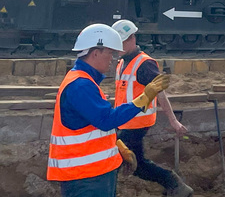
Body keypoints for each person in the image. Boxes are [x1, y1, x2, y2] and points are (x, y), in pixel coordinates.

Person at [48, 23, 170, 196]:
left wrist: (117, 145)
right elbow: (106, 120)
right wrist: (143, 99)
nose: (113, 59)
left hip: (93, 173)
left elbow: (93, 124)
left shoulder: (85, 81)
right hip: (86, 177)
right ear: (96, 53)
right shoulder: (81, 85)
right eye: (110, 53)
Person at [112, 19, 194, 197]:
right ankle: (175, 185)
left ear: (132, 38)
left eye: (123, 41)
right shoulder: (122, 62)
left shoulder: (144, 64)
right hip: (124, 121)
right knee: (137, 164)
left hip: (136, 123)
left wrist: (173, 121)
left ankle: (175, 185)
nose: (119, 46)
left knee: (118, 161)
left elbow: (160, 92)